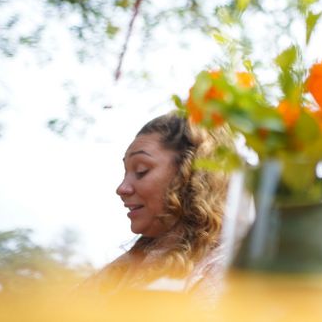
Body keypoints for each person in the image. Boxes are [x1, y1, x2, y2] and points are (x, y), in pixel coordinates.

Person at [84, 112, 232, 298]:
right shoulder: (121, 270)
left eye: (141, 170)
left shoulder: (226, 272)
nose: (122, 188)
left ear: (189, 176)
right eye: (126, 172)